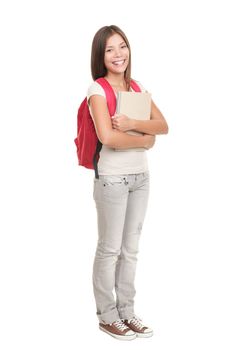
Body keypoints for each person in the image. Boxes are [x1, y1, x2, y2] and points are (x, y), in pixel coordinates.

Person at [87, 25, 168, 341]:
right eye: (110, 49)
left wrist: (135, 125)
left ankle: (127, 312)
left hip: (141, 178)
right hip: (112, 179)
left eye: (122, 46)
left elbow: (162, 127)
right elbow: (107, 137)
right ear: (101, 56)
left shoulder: (137, 88)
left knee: (131, 250)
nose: (118, 54)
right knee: (110, 249)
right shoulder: (97, 90)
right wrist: (144, 139)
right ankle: (107, 316)